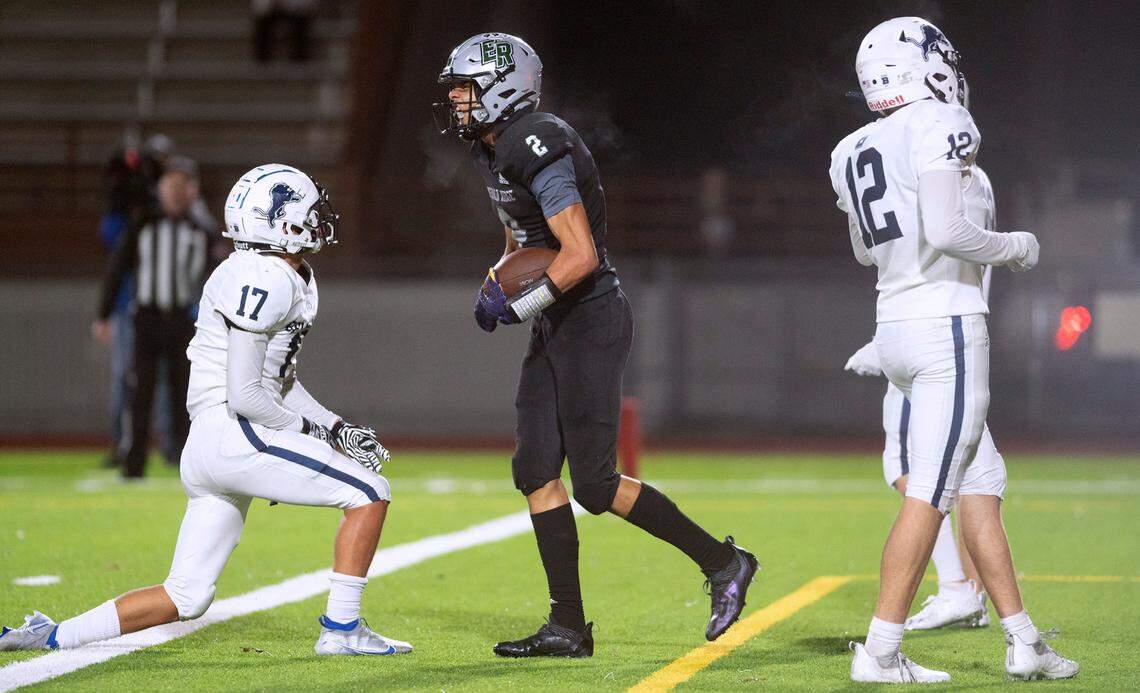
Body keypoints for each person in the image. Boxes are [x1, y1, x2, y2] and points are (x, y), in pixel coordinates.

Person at [434, 33, 758, 659]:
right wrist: (493, 282)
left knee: (595, 485)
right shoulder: (494, 148)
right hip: (557, 320)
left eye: (465, 88)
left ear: (503, 86)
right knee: (534, 472)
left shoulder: (537, 140)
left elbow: (579, 256)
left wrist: (518, 303)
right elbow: (521, 240)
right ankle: (568, 627)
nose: (456, 100)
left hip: (591, 316)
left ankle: (724, 563)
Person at [2, 164, 407, 656]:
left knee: (186, 595)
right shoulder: (267, 276)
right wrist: (308, 432)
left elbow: (279, 382)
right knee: (370, 491)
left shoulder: (281, 272)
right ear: (278, 222)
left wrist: (335, 428)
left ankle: (53, 634)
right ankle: (342, 630)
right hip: (235, 431)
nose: (320, 217)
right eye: (308, 210)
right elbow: (247, 395)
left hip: (212, 442)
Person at [828, 17, 1077, 682]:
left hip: (896, 324)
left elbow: (864, 249)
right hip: (947, 328)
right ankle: (880, 651)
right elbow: (946, 229)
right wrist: (1015, 247)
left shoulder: (853, 146)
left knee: (982, 482)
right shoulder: (940, 125)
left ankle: (1024, 640)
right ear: (926, 67)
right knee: (933, 491)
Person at [845, 162, 999, 632]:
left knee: (913, 472)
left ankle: (956, 590)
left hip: (929, 334)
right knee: (976, 474)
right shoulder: (969, 174)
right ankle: (993, 610)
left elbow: (882, 250)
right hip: (950, 329)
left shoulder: (937, 170)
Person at [93, 157, 213, 478]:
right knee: (140, 390)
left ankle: (185, 459)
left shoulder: (202, 229)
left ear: (192, 190)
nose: (174, 192)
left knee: (186, 392)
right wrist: (104, 313)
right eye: (168, 184)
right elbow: (118, 267)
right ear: (159, 189)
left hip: (184, 320)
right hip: (146, 318)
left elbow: (217, 278)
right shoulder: (143, 225)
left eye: (180, 185)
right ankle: (134, 460)